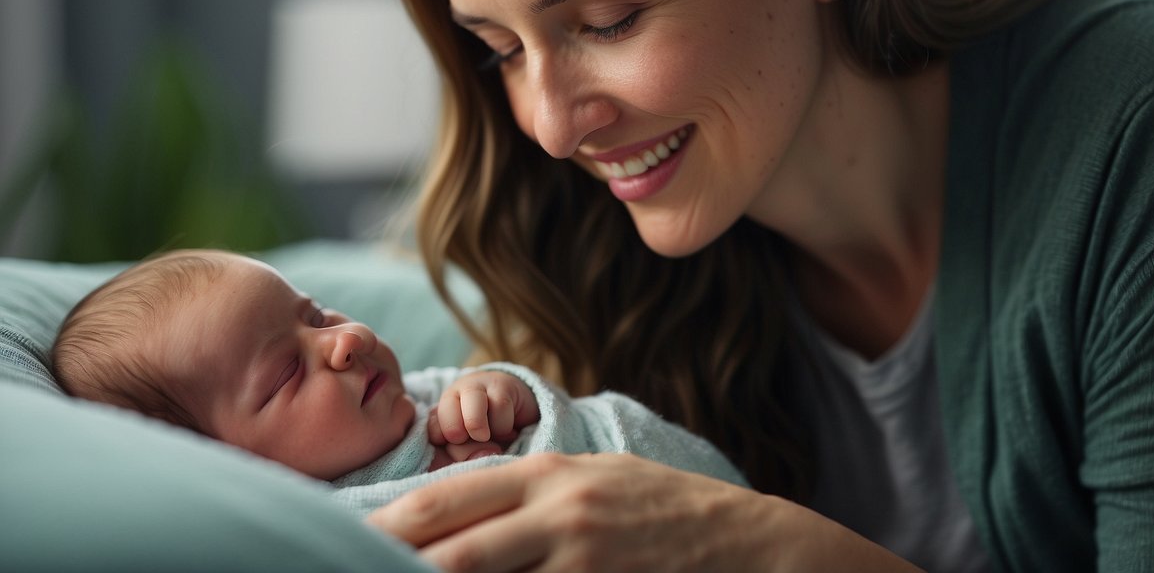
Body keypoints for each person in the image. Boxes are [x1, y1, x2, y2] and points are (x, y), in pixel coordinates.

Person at [367, 0, 1154, 570]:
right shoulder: (597, 256)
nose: (553, 130)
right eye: (501, 49)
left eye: (608, 20)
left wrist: (766, 552)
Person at [51, 249, 746, 504]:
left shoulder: (415, 395)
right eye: (289, 372)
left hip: (697, 503)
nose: (345, 341)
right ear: (228, 464)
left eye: (317, 315)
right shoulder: (331, 519)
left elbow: (541, 400)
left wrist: (503, 394)